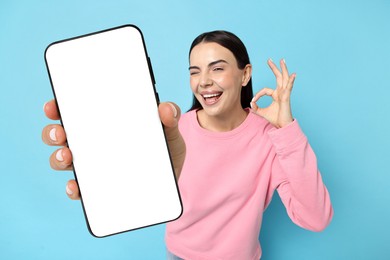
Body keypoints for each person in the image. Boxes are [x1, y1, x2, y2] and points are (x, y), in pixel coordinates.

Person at [42, 30, 333, 260]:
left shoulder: (272, 139)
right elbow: (138, 186)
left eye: (217, 69)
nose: (203, 81)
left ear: (245, 74)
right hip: (178, 255)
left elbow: (316, 218)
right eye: (194, 71)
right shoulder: (174, 128)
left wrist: (286, 129)